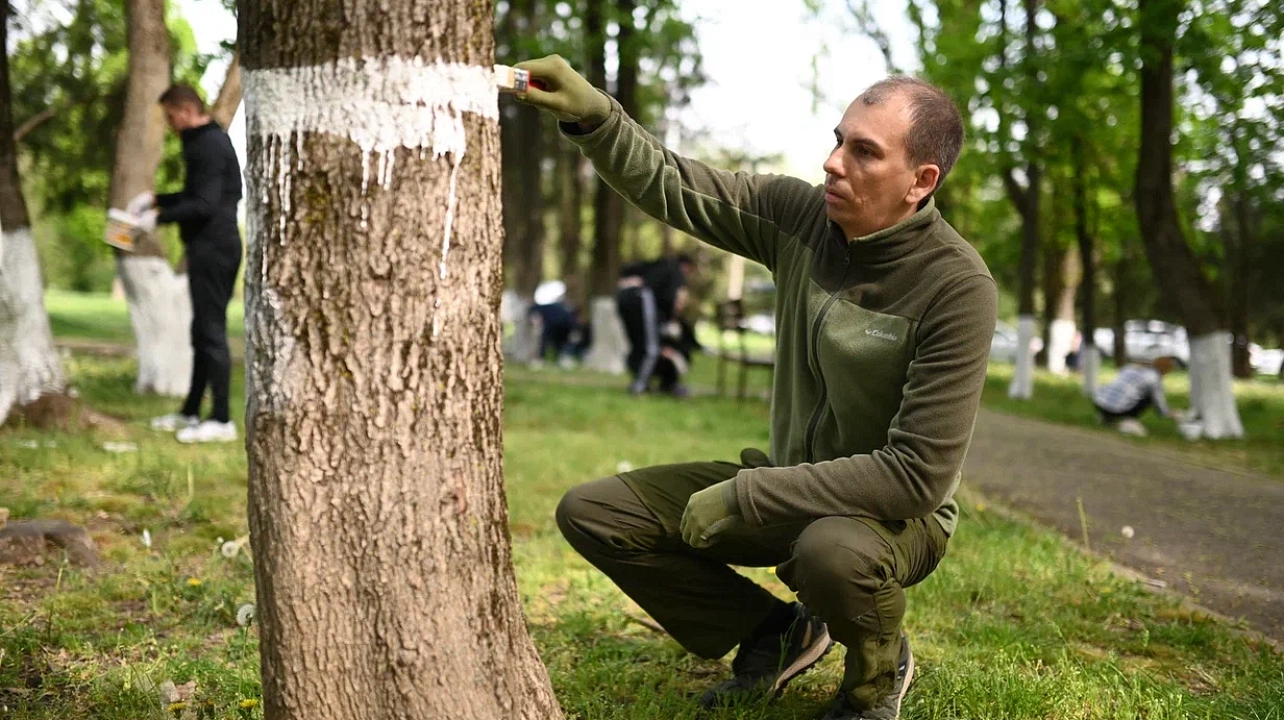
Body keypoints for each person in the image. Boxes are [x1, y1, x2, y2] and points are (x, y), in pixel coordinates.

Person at [515, 55, 996, 720]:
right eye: (837, 140)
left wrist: (750, 491)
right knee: (596, 514)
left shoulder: (957, 288)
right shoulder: (798, 218)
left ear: (920, 181)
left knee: (831, 553)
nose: (833, 162)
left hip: (891, 520)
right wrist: (595, 115)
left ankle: (876, 676)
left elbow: (917, 477)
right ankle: (775, 634)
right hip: (790, 484)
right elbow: (672, 183)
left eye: (863, 152)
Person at [131, 84, 244, 444]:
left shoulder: (209, 144)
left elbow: (206, 205)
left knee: (211, 331)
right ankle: (191, 412)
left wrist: (159, 219)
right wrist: (155, 201)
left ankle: (222, 419)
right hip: (205, 247)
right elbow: (197, 195)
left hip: (217, 248)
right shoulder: (201, 141)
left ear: (184, 110)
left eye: (169, 116)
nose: (169, 124)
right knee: (201, 331)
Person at [616, 252, 694, 394]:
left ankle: (652, 382)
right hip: (641, 296)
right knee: (651, 348)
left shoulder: (658, 266)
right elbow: (672, 300)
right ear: (685, 266)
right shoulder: (675, 271)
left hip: (622, 296)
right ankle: (640, 385)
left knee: (640, 344)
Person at [1093, 356, 1177, 437]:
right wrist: (1172, 414)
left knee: (1126, 391)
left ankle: (1106, 418)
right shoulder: (1154, 378)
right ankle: (1128, 422)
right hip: (1118, 410)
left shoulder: (1129, 367)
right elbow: (1159, 405)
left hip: (1099, 403)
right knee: (1150, 396)